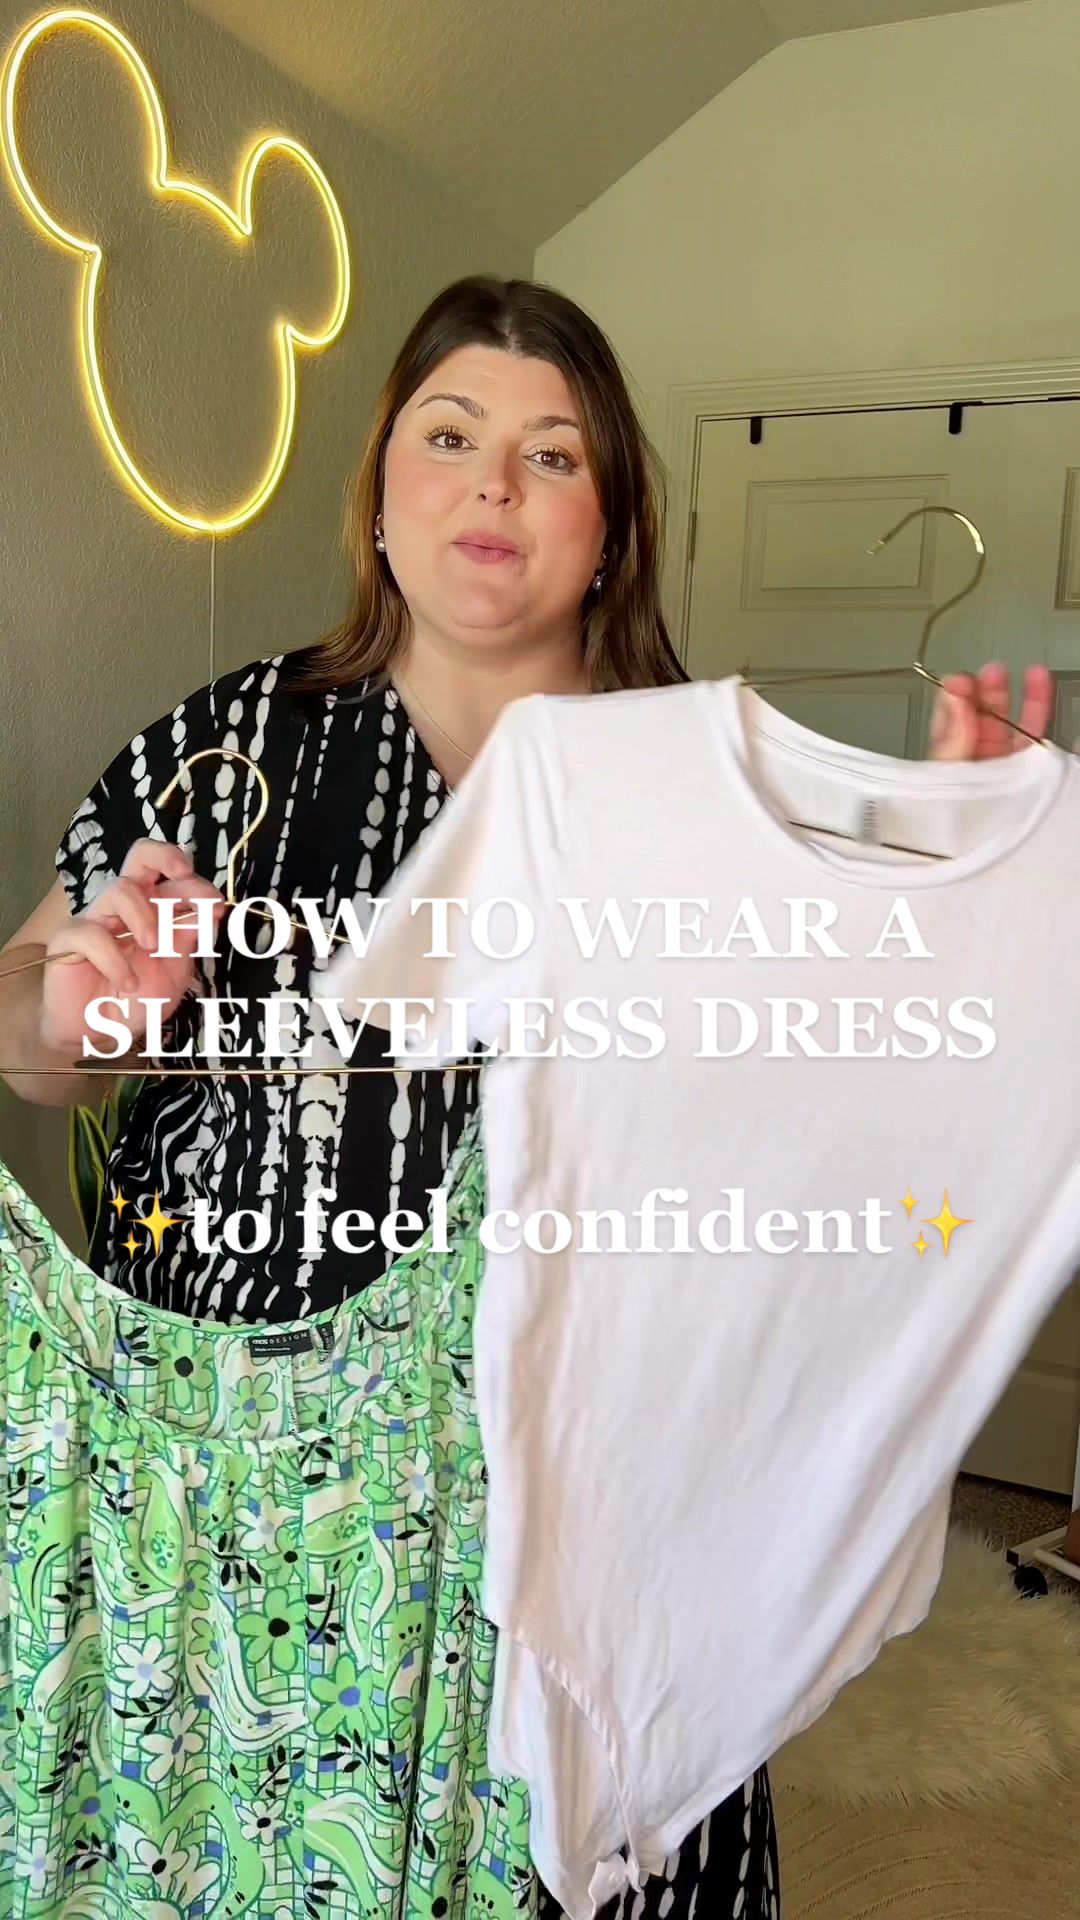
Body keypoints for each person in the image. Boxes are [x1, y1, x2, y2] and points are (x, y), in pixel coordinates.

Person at [0, 275, 1056, 1917]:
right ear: (380, 493)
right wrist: (76, 1008)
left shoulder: (713, 798)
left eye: (553, 454)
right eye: (450, 436)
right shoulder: (222, 751)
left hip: (598, 1503)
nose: (493, 483)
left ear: (611, 527)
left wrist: (954, 909)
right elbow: (33, 1041)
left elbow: (845, 1132)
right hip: (257, 1487)